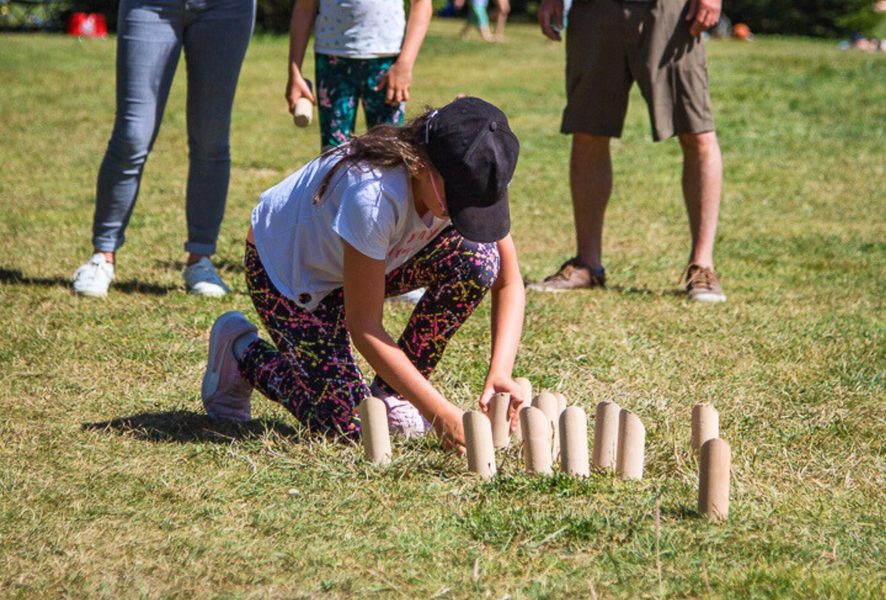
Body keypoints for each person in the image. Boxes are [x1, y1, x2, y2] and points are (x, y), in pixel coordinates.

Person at [200, 97, 526, 452]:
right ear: (419, 166)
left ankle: (392, 393)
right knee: (348, 427)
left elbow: (507, 281)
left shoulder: (478, 169)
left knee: (479, 260)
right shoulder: (373, 195)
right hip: (293, 278)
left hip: (368, 263)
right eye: (457, 205)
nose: (461, 216)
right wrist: (438, 412)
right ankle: (240, 354)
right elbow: (365, 327)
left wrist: (500, 371)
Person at [531, 0, 727, 302]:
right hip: (594, 8)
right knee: (587, 130)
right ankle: (587, 264)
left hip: (672, 9)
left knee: (696, 131)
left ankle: (702, 266)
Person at [72, 0, 255, 298]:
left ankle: (201, 259)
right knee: (132, 135)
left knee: (211, 136)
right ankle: (101, 257)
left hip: (226, 8)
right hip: (150, 5)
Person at [285, 0, 433, 152]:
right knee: (333, 155)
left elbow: (422, 4)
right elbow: (304, 7)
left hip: (387, 63)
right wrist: (295, 72)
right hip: (332, 62)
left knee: (389, 153)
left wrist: (405, 64)